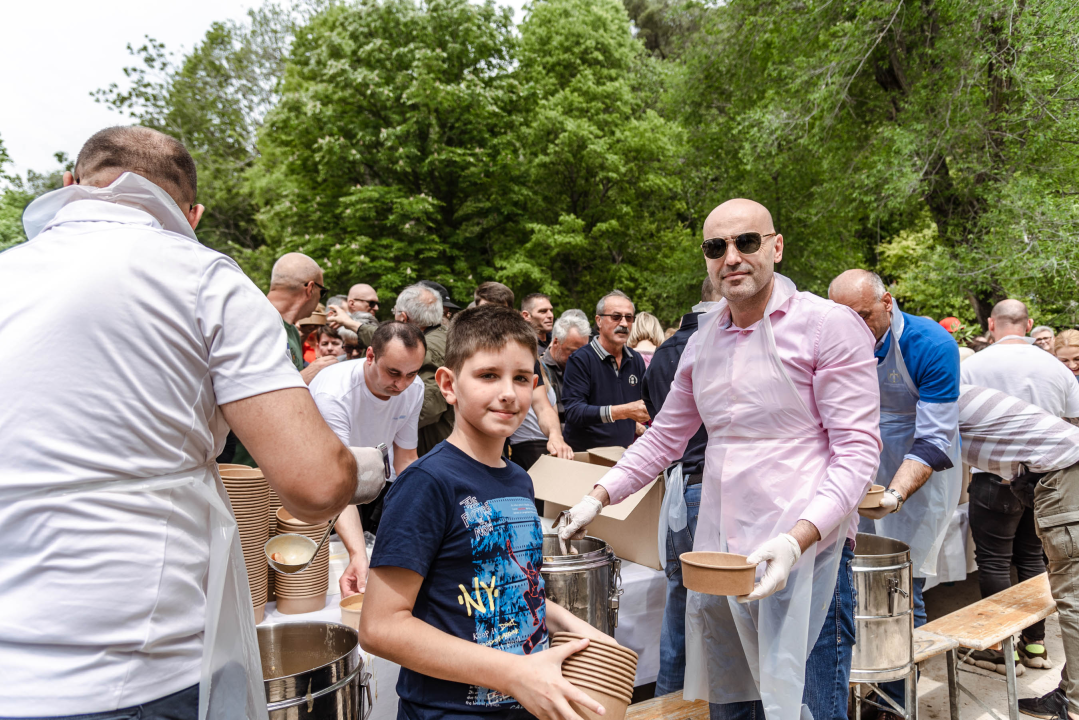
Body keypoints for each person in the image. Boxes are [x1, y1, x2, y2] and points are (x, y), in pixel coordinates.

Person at [0, 126, 386, 719]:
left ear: (70, 185)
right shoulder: (205, 279)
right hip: (134, 668)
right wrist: (366, 467)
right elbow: (313, 484)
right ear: (194, 214)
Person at [556, 198, 881, 720]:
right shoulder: (704, 342)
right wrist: (599, 495)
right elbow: (666, 437)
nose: (731, 257)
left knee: (809, 705)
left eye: (745, 242)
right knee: (733, 703)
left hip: (807, 550)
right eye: (716, 247)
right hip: (722, 551)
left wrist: (798, 538)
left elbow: (858, 448)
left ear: (775, 247)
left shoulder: (829, 326)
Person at [359, 305, 612, 720]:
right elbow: (381, 627)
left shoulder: (519, 480)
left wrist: (583, 631)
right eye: (488, 375)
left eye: (520, 379)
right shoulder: (427, 483)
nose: (508, 392)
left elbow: (517, 589)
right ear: (449, 384)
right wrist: (512, 673)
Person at [829, 269, 962, 707]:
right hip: (860, 463)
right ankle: (851, 686)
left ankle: (896, 699)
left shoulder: (930, 344)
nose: (856, 329)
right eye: (845, 318)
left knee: (903, 581)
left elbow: (933, 439)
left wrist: (895, 495)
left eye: (864, 315)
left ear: (888, 302)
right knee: (846, 576)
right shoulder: (834, 340)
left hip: (917, 472)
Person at [960, 299, 1079, 670]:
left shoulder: (971, 365)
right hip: (1046, 479)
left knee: (993, 561)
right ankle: (1035, 646)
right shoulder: (1054, 367)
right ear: (1028, 325)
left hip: (992, 476)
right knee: (1033, 559)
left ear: (992, 325)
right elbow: (1073, 421)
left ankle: (1000, 649)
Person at [955, 385, 1079, 720]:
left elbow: (927, 454)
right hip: (1052, 474)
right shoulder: (952, 389)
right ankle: (1067, 694)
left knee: (1073, 600)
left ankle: (1075, 710)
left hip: (1062, 477)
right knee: (1057, 580)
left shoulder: (936, 396)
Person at [310, 322, 428, 596]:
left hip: (375, 476)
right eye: (393, 373)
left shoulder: (414, 388)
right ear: (371, 355)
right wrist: (357, 554)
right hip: (323, 481)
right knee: (334, 564)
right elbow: (337, 479)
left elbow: (406, 457)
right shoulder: (334, 393)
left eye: (412, 373)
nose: (401, 384)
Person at [644, 276, 718, 696]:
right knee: (722, 615)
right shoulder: (725, 343)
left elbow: (659, 421)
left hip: (678, 484)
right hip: (709, 490)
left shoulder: (662, 353)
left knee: (678, 605)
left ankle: (667, 700)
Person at [561, 290, 649, 451]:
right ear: (599, 321)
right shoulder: (580, 359)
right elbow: (574, 412)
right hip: (586, 458)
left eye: (629, 318)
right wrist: (623, 411)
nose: (623, 324)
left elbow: (644, 405)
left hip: (623, 457)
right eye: (616, 317)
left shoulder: (636, 360)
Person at [395, 284, 455, 455]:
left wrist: (389, 423)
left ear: (403, 318)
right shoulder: (447, 336)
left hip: (439, 449)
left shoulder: (426, 347)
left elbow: (427, 408)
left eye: (395, 311)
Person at [540, 313, 591, 424]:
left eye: (584, 352)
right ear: (555, 342)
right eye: (573, 352)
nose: (580, 358)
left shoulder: (586, 370)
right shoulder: (540, 371)